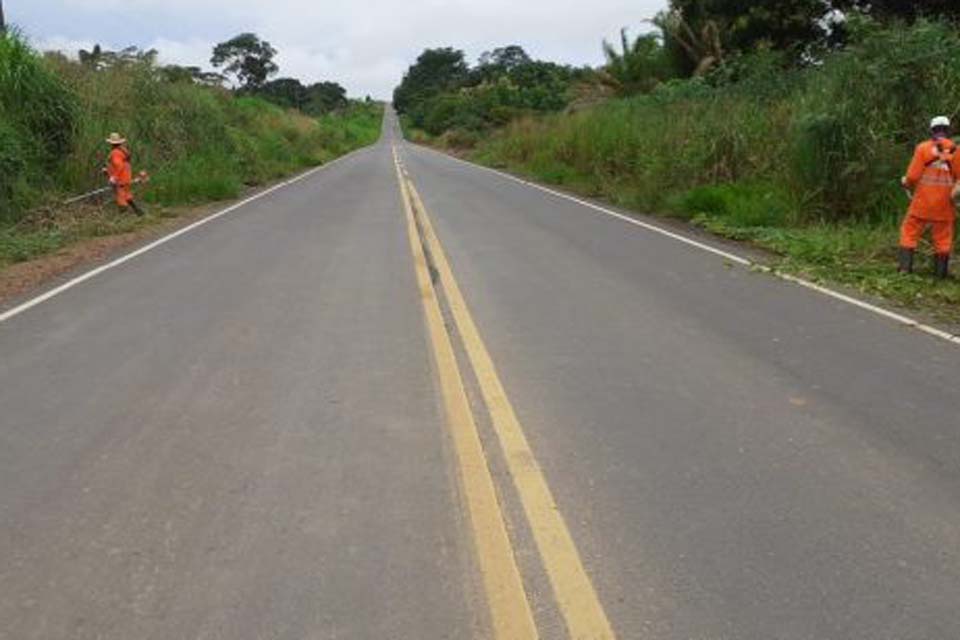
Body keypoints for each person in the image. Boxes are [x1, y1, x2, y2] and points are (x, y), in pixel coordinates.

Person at [898, 116, 959, 278]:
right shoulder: (956, 150)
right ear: (948, 130)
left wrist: (905, 182)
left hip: (922, 202)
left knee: (909, 232)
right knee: (943, 238)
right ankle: (940, 275)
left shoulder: (923, 148)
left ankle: (905, 270)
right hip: (944, 204)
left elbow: (912, 176)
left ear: (932, 130)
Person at [104, 132, 144, 215]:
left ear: (111, 143)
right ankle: (138, 211)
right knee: (127, 194)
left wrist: (114, 177)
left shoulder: (115, 153)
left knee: (121, 197)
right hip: (126, 175)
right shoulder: (123, 150)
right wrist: (107, 170)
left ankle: (122, 216)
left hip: (121, 178)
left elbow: (119, 166)